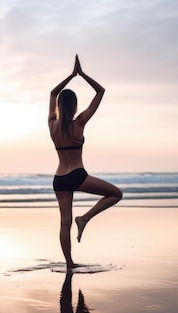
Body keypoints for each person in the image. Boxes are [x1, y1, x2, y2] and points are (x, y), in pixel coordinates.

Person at [48, 55, 122, 270]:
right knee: (116, 194)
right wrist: (82, 75)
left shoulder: (52, 125)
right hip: (77, 176)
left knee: (64, 223)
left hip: (59, 179)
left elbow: (53, 93)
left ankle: (69, 263)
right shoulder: (79, 122)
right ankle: (86, 218)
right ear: (75, 105)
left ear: (60, 106)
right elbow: (100, 92)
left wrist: (70, 76)